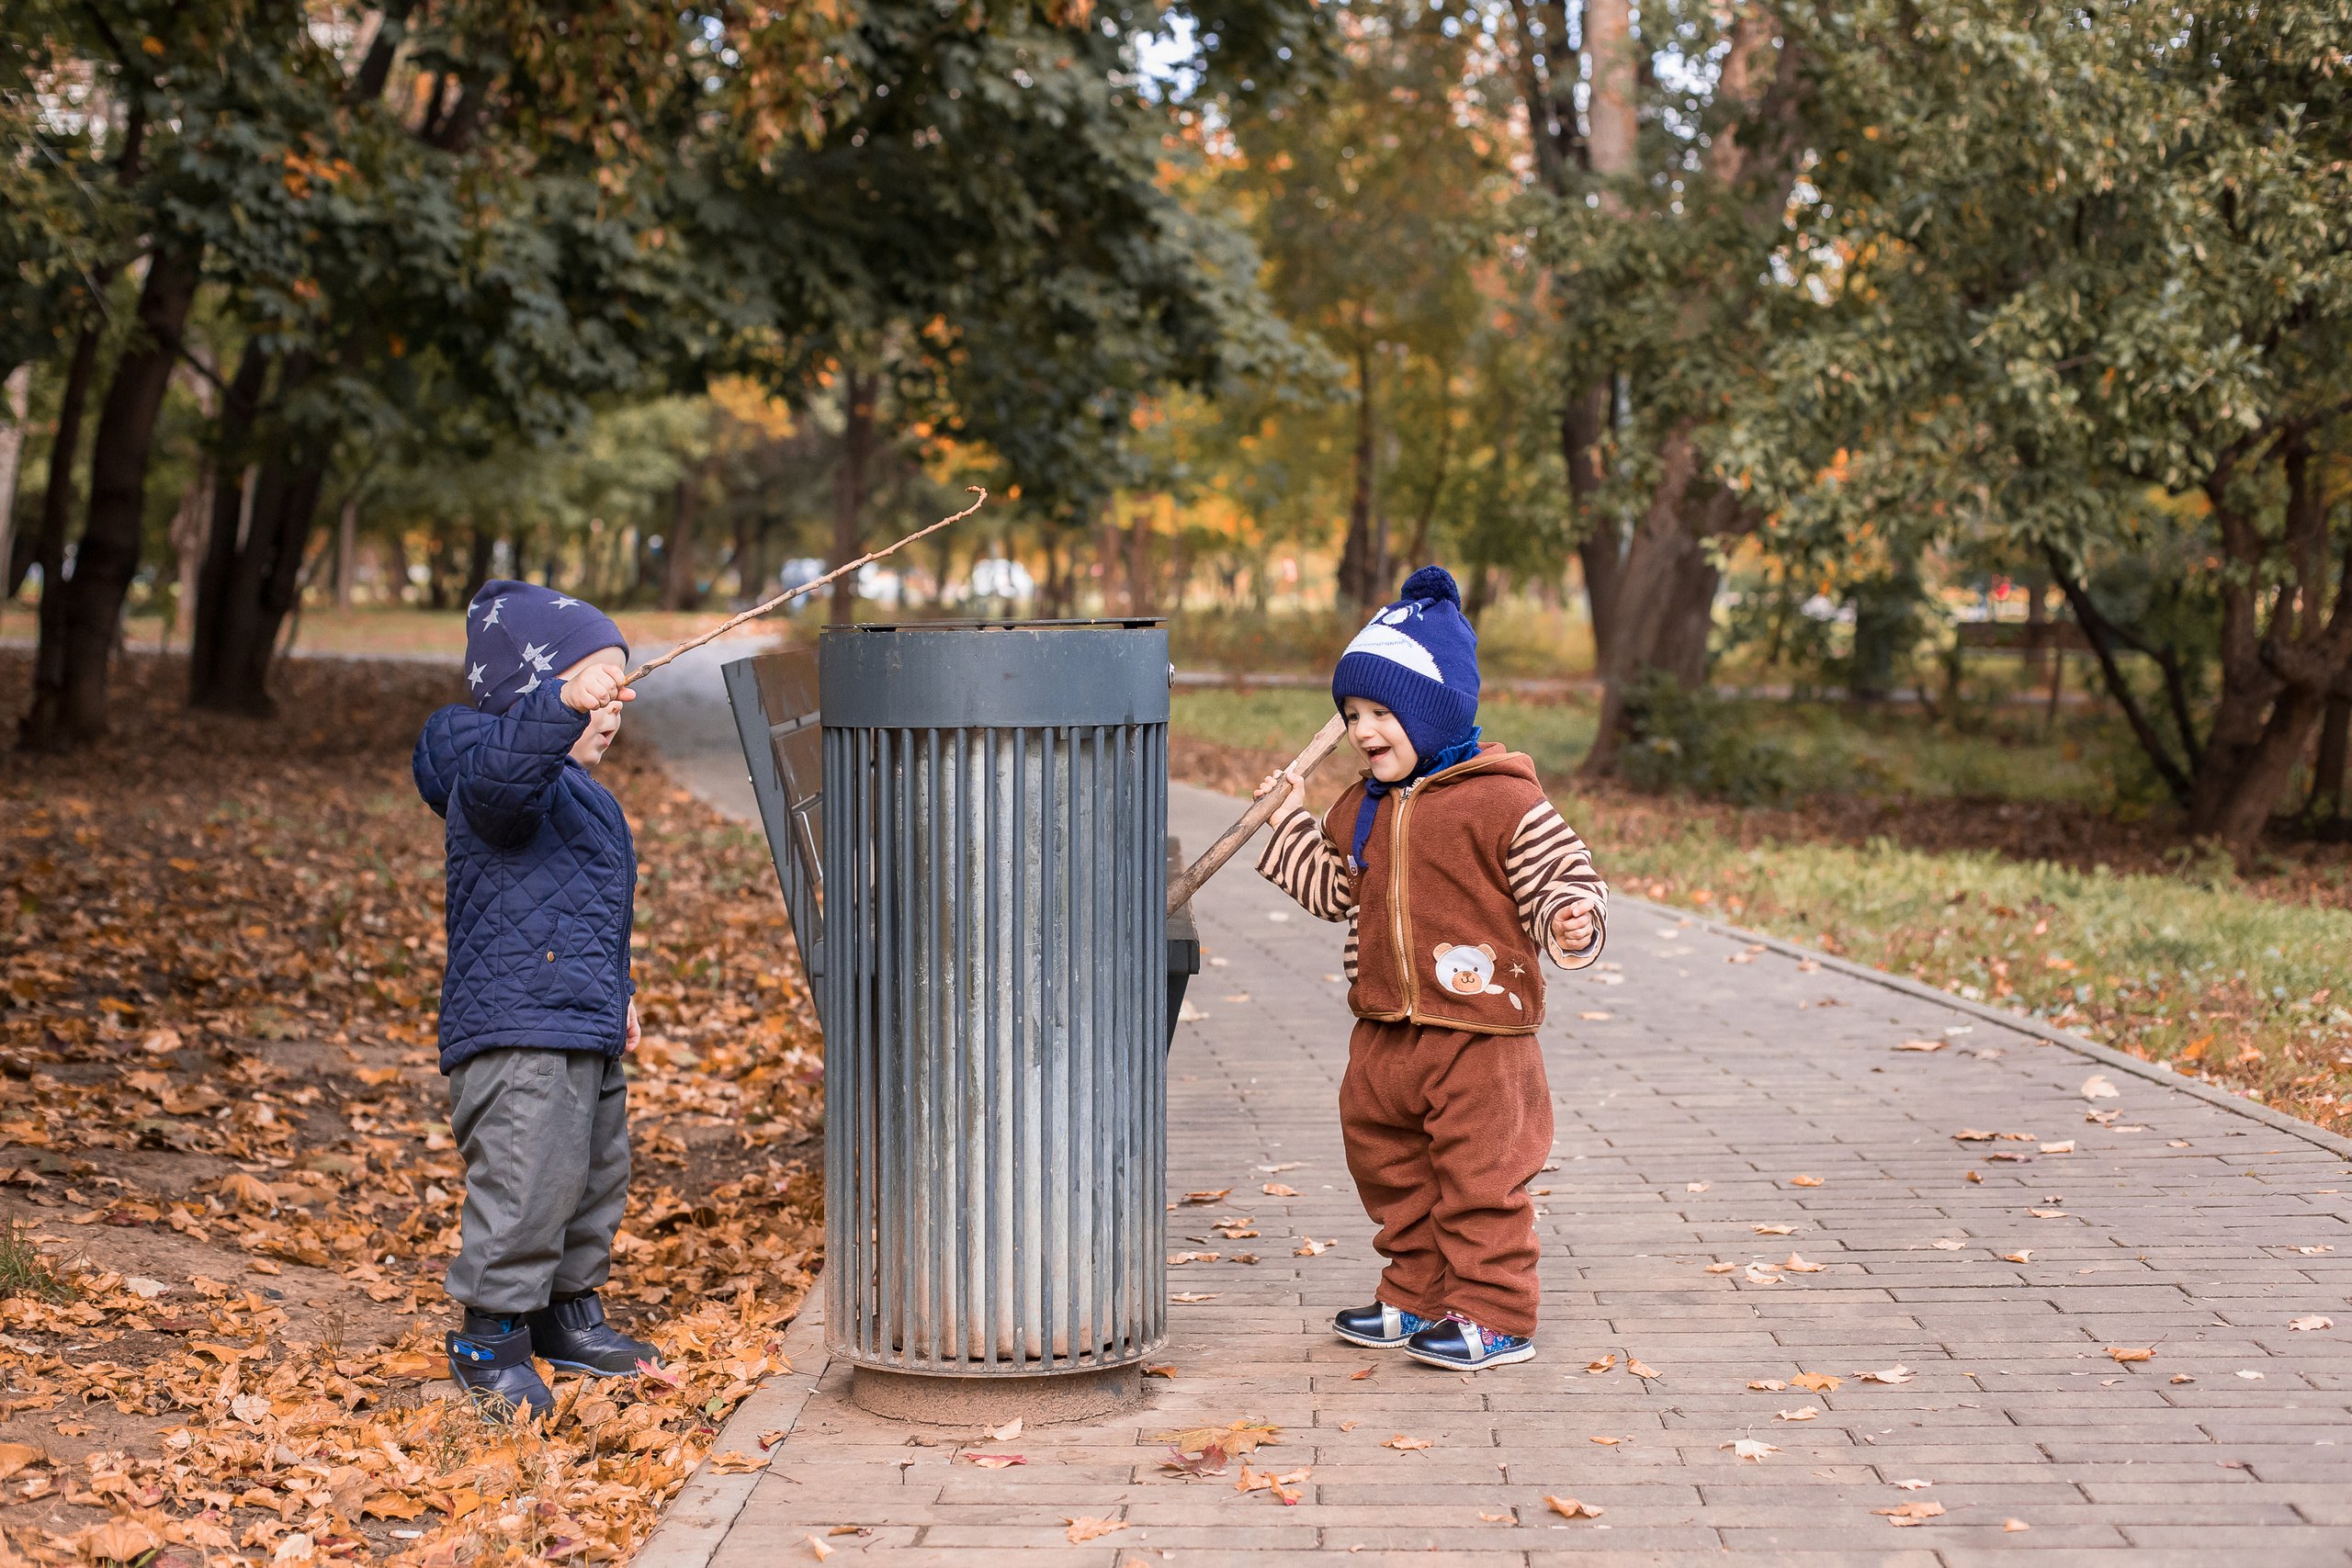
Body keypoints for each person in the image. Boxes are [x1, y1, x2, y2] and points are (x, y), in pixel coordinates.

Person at [1253, 565, 1608, 1371]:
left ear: (1434, 708)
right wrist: (1290, 824)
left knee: (1481, 1175)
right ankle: (1416, 1294)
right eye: (1352, 713)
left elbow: (1564, 872)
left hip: (1481, 1038)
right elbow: (1330, 890)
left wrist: (1570, 915)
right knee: (1388, 1163)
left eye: (1383, 711)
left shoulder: (1501, 800)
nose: (1365, 729)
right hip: (1385, 1028)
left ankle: (1495, 1310)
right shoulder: (1360, 806)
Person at [413, 581, 662, 1417]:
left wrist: (617, 991)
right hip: (517, 1024)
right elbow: (505, 778)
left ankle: (566, 1312)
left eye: (618, 687)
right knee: (527, 1176)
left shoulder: (581, 791)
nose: (612, 705)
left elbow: (588, 911)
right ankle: (490, 1331)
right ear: (537, 692)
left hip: (578, 1017)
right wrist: (560, 706)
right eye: (595, 686)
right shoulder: (479, 761)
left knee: (590, 1174)